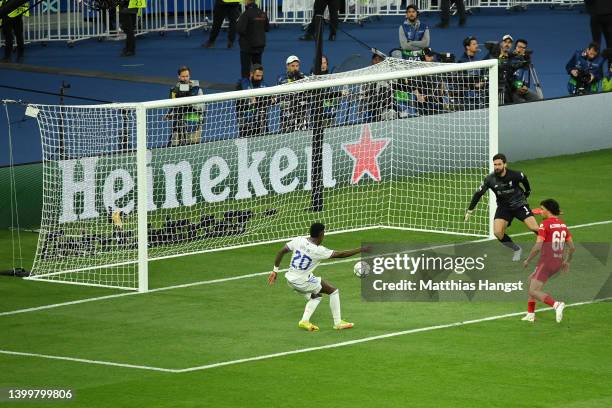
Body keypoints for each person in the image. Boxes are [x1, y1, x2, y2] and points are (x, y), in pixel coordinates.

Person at [267, 222, 367, 331]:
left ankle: (304, 321)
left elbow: (281, 251)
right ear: (321, 234)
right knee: (333, 291)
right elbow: (341, 254)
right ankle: (338, 323)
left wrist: (275, 271)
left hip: (290, 279)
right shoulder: (318, 250)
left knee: (316, 296)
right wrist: (361, 249)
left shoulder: (299, 240)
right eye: (324, 233)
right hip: (302, 282)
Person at [465, 153, 539, 261]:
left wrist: (527, 191)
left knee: (534, 228)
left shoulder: (515, 175)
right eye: (495, 164)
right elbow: (478, 194)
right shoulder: (490, 179)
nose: (497, 167)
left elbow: (524, 179)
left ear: (505, 164)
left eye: (499, 164)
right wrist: (470, 210)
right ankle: (517, 249)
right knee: (498, 233)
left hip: (519, 204)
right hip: (504, 208)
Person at [521, 199, 575, 323]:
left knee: (533, 290)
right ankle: (530, 314)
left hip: (546, 262)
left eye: (542, 209)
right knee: (530, 281)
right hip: (557, 262)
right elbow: (572, 247)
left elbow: (538, 246)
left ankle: (556, 304)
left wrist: (528, 260)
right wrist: (567, 261)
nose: (540, 212)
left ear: (548, 211)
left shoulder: (544, 225)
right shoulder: (562, 225)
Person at [166, 66, 204, 146]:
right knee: (174, 145)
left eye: (187, 76)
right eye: (183, 76)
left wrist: (188, 102)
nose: (185, 78)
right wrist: (170, 113)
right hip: (179, 122)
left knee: (193, 147)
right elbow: (172, 104)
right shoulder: (175, 89)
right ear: (179, 77)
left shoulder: (196, 88)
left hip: (193, 122)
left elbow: (201, 107)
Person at [235, 64, 271, 137]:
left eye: (261, 76)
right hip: (245, 123)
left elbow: (269, 101)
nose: (259, 78)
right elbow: (238, 103)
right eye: (257, 76)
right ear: (251, 74)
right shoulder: (242, 84)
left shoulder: (265, 86)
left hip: (260, 122)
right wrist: (248, 100)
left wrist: (259, 100)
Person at [236, 0, 269, 79]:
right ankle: (260, 85)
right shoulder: (262, 13)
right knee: (258, 66)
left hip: (247, 46)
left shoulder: (245, 14)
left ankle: (246, 86)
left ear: (247, 1)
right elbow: (267, 28)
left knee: (245, 68)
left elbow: (240, 30)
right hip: (260, 45)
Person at [277, 55, 309, 133]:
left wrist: (301, 78)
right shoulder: (281, 78)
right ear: (287, 66)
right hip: (287, 115)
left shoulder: (303, 77)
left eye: (297, 66)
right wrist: (294, 79)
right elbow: (282, 86)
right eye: (292, 66)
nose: (295, 68)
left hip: (302, 114)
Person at [510, 39, 542, 103]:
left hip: (521, 88)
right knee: (522, 103)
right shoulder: (509, 58)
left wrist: (524, 86)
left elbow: (523, 72)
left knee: (538, 99)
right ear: (515, 47)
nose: (521, 49)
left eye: (523, 48)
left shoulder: (524, 59)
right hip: (511, 90)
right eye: (519, 47)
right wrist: (516, 88)